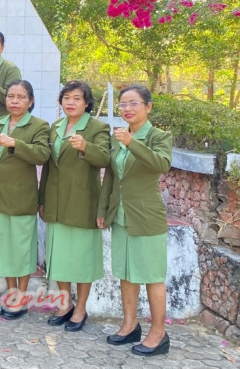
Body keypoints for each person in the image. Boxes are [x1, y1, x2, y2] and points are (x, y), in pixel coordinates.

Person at [98, 85, 172, 356]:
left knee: (152, 276)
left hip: (146, 216)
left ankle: (158, 333)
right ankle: (130, 325)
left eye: (133, 103)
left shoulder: (159, 136)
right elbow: (112, 176)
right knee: (126, 273)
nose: (127, 109)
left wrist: (133, 143)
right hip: (120, 216)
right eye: (123, 104)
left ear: (148, 106)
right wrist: (103, 209)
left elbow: (161, 164)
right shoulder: (119, 137)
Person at [38, 81, 110, 331]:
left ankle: (81, 309)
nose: (70, 102)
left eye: (77, 98)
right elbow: (48, 165)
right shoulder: (55, 127)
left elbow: (105, 158)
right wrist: (42, 199)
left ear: (87, 103)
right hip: (56, 201)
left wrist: (85, 147)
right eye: (66, 97)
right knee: (59, 257)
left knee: (82, 259)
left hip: (82, 202)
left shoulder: (97, 127)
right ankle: (65, 304)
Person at [0, 79, 50, 320]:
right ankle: (11, 293)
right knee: (4, 250)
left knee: (21, 250)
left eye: (20, 96)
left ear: (30, 101)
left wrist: (15, 143)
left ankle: (21, 298)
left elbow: (43, 154)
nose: (14, 100)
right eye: (11, 95)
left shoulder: (39, 126)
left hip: (21, 199)